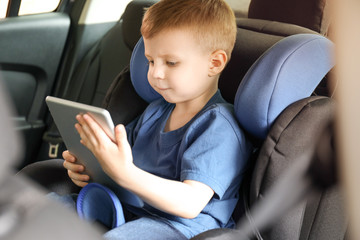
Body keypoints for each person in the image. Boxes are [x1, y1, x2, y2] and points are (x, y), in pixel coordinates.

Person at [63, 0, 252, 239]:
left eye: (171, 62)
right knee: (45, 210)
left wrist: (125, 174)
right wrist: (91, 165)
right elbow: (121, 159)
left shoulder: (219, 126)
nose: (155, 73)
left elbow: (190, 203)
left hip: (179, 228)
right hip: (131, 209)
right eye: (151, 61)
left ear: (214, 63)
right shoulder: (155, 111)